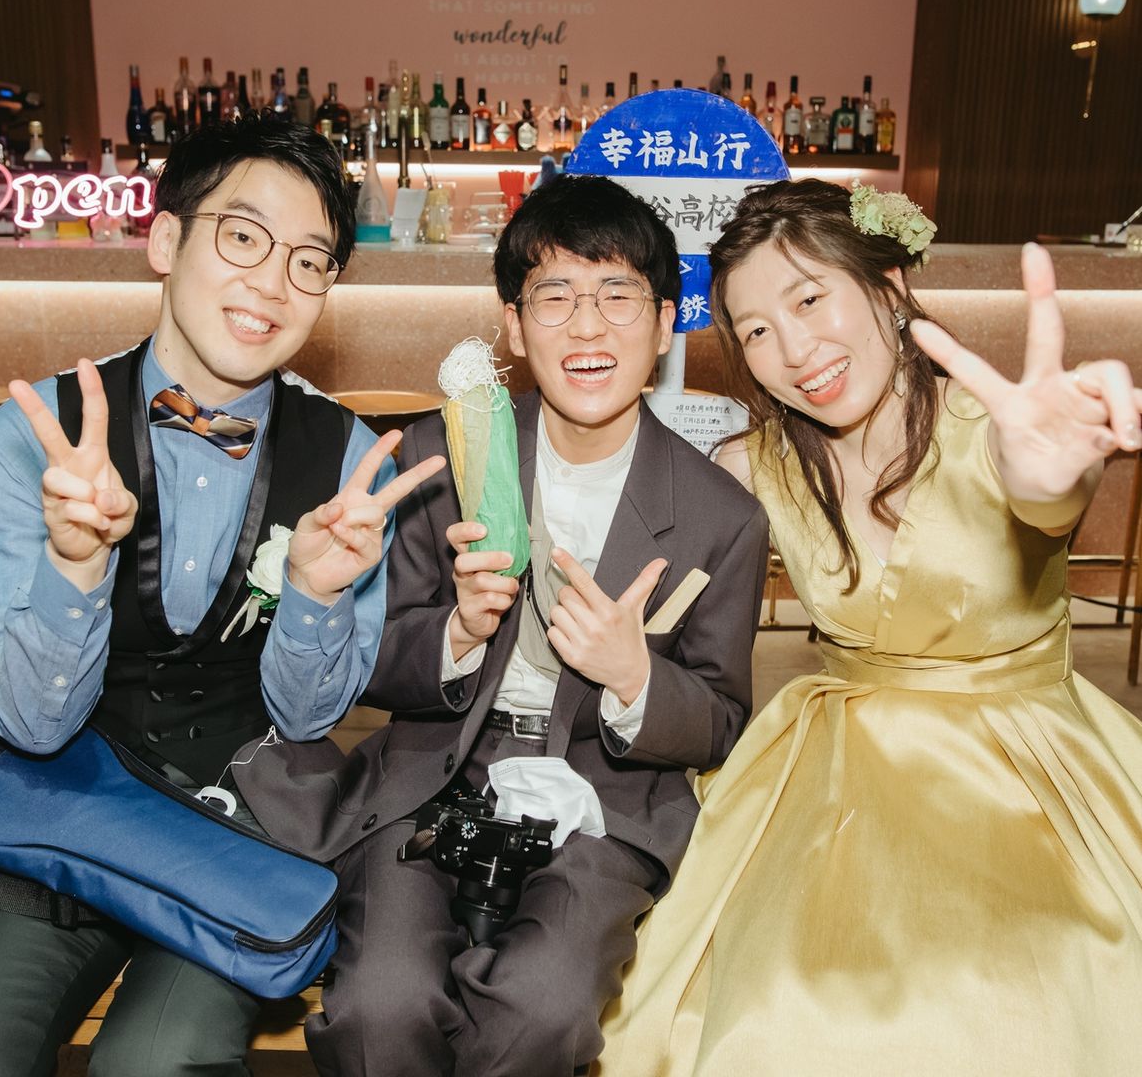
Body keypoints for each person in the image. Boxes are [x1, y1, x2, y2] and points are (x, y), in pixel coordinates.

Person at [594, 177, 1142, 1076]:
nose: (792, 350)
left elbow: (1044, 493)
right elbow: (650, 607)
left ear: (889, 290)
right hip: (837, 769)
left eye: (810, 300)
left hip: (1028, 770)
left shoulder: (1000, 429)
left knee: (1037, 990)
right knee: (771, 1006)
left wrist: (1055, 473)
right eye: (756, 331)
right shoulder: (752, 465)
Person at [233, 174, 768, 1076]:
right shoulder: (442, 458)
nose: (587, 327)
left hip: (605, 799)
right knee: (378, 1003)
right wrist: (457, 634)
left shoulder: (723, 515)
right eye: (555, 297)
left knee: (542, 1006)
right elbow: (370, 659)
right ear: (514, 327)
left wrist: (634, 676)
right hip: (434, 775)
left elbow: (721, 718)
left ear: (666, 323)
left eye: (617, 295)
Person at [0, 114, 444, 1077]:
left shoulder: (351, 462)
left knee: (158, 1061)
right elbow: (29, 725)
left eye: (309, 261)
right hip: (55, 820)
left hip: (235, 832)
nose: (273, 284)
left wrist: (313, 593)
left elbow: (307, 718)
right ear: (165, 240)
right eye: (243, 237)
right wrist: (75, 565)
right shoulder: (27, 441)